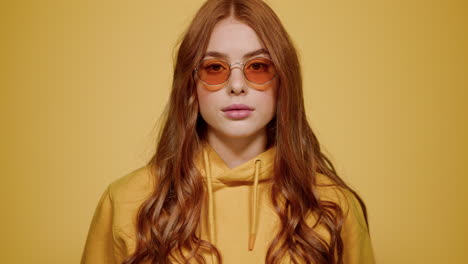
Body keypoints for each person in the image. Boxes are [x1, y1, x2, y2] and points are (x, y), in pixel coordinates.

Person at [81, 0, 376, 263]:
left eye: (258, 66)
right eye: (215, 68)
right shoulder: (126, 200)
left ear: (283, 80)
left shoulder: (334, 206)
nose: (237, 85)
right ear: (190, 84)